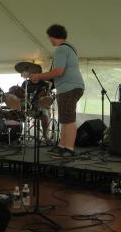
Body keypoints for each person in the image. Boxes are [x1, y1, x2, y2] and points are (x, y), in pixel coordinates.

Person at [29, 24, 84, 157]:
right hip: (71, 87)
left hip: (68, 88)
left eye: (49, 37)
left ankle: (69, 149)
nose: (49, 40)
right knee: (65, 118)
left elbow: (58, 71)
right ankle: (62, 146)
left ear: (53, 36)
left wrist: (38, 76)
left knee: (69, 120)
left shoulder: (60, 50)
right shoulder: (70, 48)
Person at [21, 75, 51, 140]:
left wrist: (43, 98)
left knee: (45, 115)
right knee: (17, 112)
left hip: (40, 106)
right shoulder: (25, 83)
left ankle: (45, 135)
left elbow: (47, 97)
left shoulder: (44, 84)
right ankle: (17, 134)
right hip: (28, 106)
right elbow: (22, 95)